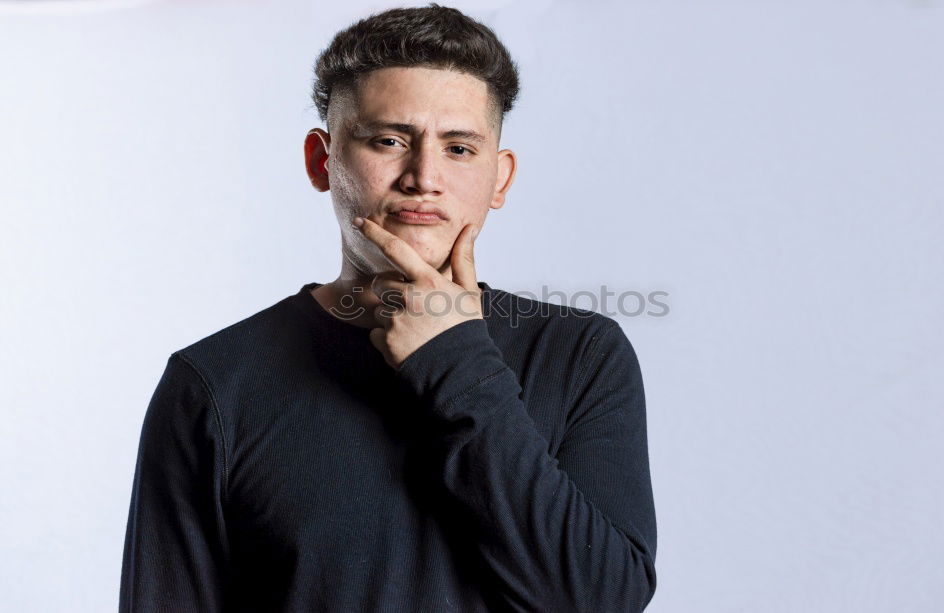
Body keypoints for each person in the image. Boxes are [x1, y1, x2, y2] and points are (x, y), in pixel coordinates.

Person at [118, 4, 657, 612]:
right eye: (389, 140)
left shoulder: (581, 355)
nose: (423, 176)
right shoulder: (214, 384)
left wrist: (456, 362)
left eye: (459, 148)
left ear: (499, 178)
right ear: (322, 162)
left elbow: (599, 601)